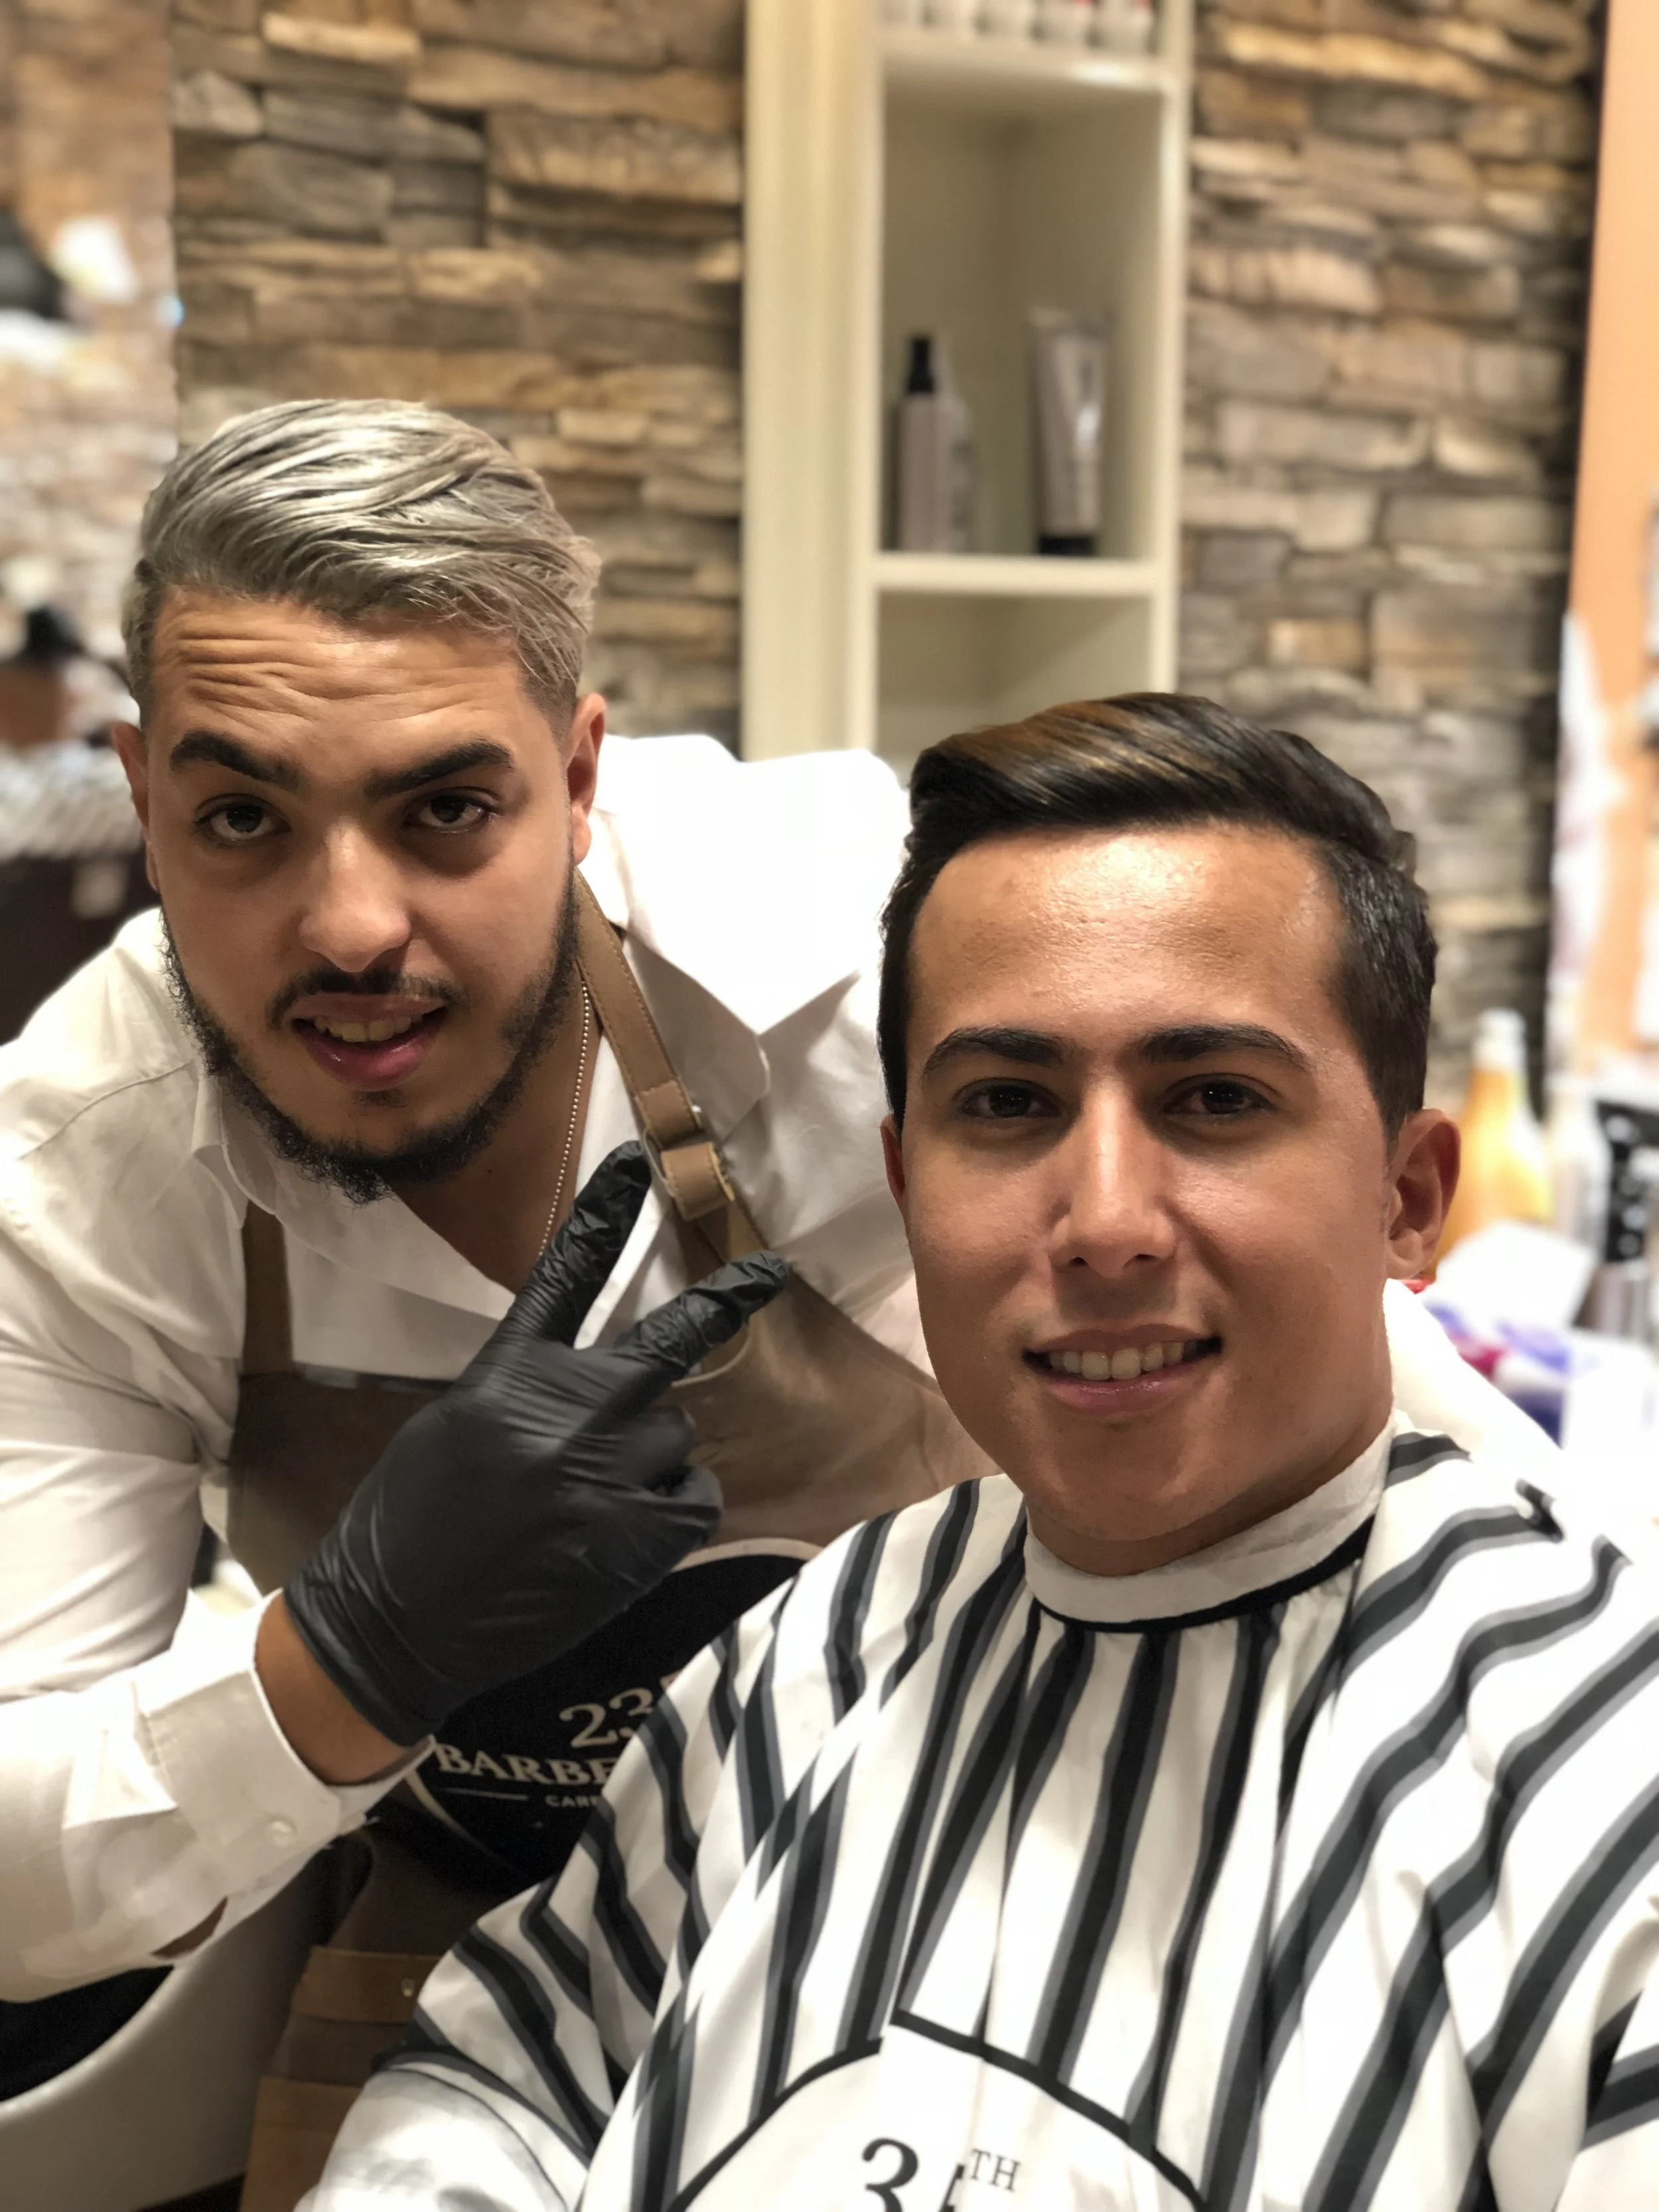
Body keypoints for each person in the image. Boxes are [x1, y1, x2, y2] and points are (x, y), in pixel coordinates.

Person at [309, 695, 1659, 2212]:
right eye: (1004, 1105)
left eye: (1212, 1099)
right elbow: (508, 2072)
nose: (1100, 1225)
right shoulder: (816, 1647)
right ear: (902, 1178)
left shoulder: (1599, 1803)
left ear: (1408, 1200)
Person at [0, 400, 990, 2189]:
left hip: (979, 1884)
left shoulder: (868, 960)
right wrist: (345, 1656)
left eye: (447, 808)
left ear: (583, 769)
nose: (351, 925)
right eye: (242, 818)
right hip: (474, 1964)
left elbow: (1316, 1396)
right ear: (142, 800)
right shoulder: (88, 1154)